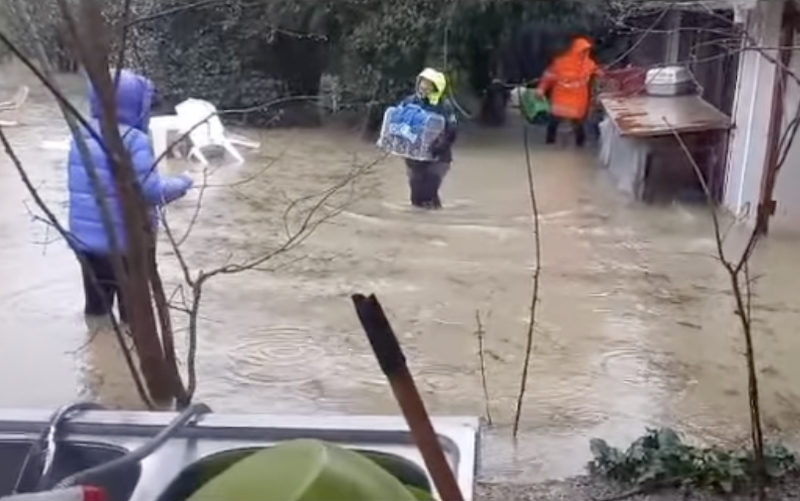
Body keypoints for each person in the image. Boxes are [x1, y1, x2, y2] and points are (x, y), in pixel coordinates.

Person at [68, 69, 193, 326]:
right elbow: (150, 191)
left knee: (97, 311)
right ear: (135, 105)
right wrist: (183, 182)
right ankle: (128, 362)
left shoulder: (80, 134)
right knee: (134, 317)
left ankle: (97, 359)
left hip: (87, 246)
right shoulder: (134, 140)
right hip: (127, 247)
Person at [400, 68, 458, 210]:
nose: (424, 86)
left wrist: (440, 145)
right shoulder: (409, 101)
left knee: (429, 192)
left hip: (438, 157)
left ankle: (436, 222)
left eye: (428, 84)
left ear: (435, 87)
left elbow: (452, 129)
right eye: (422, 83)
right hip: (414, 157)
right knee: (416, 195)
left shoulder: (444, 105)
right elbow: (397, 121)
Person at [536, 36, 603, 147]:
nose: (585, 53)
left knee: (578, 124)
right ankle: (549, 144)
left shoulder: (589, 64)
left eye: (587, 51)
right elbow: (548, 77)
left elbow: (599, 73)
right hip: (561, 98)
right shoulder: (560, 62)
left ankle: (580, 146)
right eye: (583, 51)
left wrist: (603, 75)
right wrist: (541, 89)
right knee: (554, 121)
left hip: (578, 100)